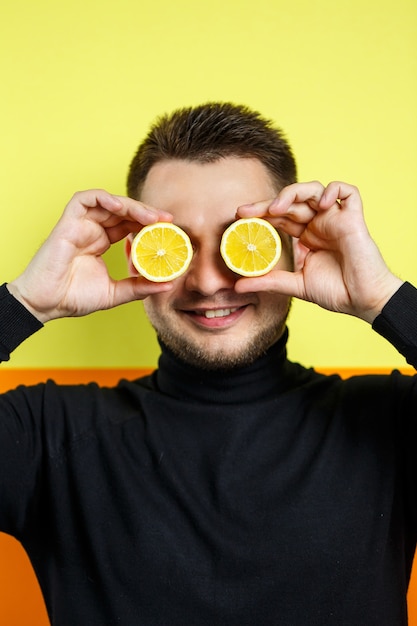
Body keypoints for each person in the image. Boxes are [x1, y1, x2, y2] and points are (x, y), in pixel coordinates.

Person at [0, 102, 416, 626]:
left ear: (293, 248)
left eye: (237, 239)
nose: (207, 281)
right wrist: (22, 306)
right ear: (136, 255)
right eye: (176, 245)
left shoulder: (390, 425)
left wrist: (382, 298)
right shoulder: (46, 437)